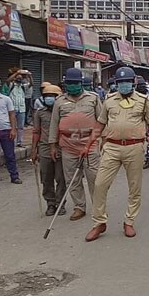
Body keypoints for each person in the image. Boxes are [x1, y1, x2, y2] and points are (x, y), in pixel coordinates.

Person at [83, 67, 149, 242]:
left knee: (134, 187)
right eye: (121, 82)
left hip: (134, 147)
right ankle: (99, 222)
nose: (124, 85)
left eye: (127, 82)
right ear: (116, 84)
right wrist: (88, 145)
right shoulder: (108, 101)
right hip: (112, 147)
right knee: (100, 184)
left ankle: (129, 221)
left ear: (133, 83)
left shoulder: (143, 101)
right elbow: (99, 125)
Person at [48, 67, 102, 221]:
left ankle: (98, 207)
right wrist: (52, 145)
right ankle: (79, 207)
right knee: (72, 178)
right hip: (68, 144)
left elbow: (102, 121)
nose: (72, 86)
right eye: (69, 83)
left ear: (81, 83)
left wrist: (103, 140)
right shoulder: (60, 102)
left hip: (90, 143)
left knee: (94, 177)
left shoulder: (93, 98)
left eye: (75, 83)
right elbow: (54, 124)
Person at [31, 85, 66, 216]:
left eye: (52, 96)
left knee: (61, 177)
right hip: (45, 148)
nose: (49, 99)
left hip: (61, 147)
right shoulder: (39, 113)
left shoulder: (64, 111)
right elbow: (36, 132)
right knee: (46, 178)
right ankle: (50, 204)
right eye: (46, 96)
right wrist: (33, 150)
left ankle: (61, 203)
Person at [1, 68, 32, 147]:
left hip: (21, 109)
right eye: (18, 78)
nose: (19, 79)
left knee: (20, 127)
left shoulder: (23, 86)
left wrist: (29, 75)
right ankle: (12, 142)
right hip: (12, 110)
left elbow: (31, 84)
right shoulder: (11, 85)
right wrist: (16, 73)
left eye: (20, 78)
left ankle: (19, 142)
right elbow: (7, 81)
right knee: (12, 126)